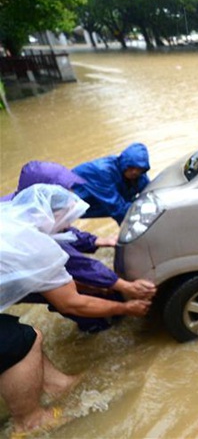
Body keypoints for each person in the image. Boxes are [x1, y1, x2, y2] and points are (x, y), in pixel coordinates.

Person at [0, 184, 151, 436]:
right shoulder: (36, 247)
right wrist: (127, 307)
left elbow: (53, 280)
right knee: (20, 341)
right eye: (68, 220)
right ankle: (30, 421)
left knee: (31, 336)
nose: (69, 227)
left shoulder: (10, 215)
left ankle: (58, 385)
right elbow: (72, 302)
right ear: (52, 217)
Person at [1, 161, 156, 332]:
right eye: (68, 216)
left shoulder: (20, 205)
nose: (70, 224)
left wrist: (95, 240)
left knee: (75, 285)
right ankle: (96, 327)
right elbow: (73, 286)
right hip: (12, 278)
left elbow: (61, 231)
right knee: (36, 332)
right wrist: (125, 297)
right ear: (47, 209)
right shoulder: (33, 245)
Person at [72, 143, 151, 225]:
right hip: (78, 198)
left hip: (103, 197)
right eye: (131, 167)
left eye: (139, 169)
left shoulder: (139, 176)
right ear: (125, 163)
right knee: (126, 210)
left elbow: (149, 193)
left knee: (138, 205)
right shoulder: (103, 171)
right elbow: (117, 209)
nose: (134, 172)